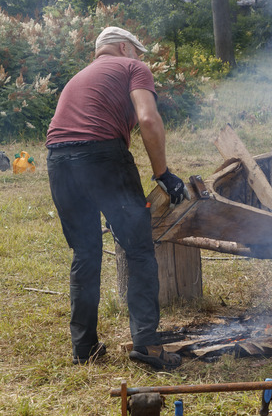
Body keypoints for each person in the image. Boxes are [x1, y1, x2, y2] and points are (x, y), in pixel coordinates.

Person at [46, 26, 190, 369]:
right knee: (139, 250)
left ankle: (84, 349)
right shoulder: (132, 68)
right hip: (103, 156)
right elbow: (147, 118)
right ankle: (147, 346)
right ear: (124, 48)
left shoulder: (78, 77)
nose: (140, 59)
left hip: (57, 158)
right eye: (137, 52)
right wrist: (163, 174)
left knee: (85, 251)